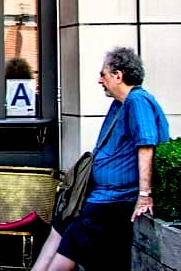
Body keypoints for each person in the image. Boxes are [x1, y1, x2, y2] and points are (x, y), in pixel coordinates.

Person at [31, 47, 169, 271]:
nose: (99, 80)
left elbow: (146, 145)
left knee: (70, 246)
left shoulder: (137, 102)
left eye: (103, 74)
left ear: (118, 75)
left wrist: (144, 196)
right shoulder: (120, 104)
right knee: (60, 225)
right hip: (97, 195)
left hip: (111, 201)